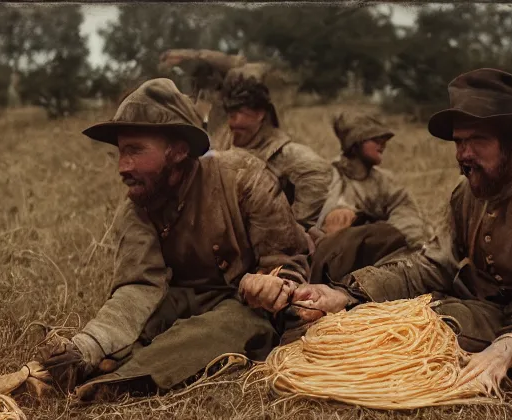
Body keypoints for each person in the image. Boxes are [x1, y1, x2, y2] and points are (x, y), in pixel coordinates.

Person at [292, 68, 512, 392]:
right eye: (459, 141)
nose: (464, 155)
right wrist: (348, 294)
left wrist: (509, 349)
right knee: (371, 320)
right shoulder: (468, 195)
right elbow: (432, 267)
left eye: (478, 141)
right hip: (468, 309)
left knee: (414, 334)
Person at [33, 78, 311, 401]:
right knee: (152, 318)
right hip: (183, 301)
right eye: (121, 152)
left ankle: (123, 381)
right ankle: (87, 364)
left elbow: (288, 264)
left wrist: (270, 288)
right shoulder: (137, 207)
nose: (124, 167)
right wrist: (88, 345)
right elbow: (138, 289)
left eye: (135, 151)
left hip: (249, 307)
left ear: (178, 150)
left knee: (239, 323)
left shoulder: (243, 177)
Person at [310, 112, 431, 285]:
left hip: (376, 262)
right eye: (375, 139)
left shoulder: (385, 181)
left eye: (384, 140)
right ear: (355, 142)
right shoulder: (326, 176)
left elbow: (406, 216)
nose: (383, 145)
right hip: (331, 262)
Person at [217, 76, 331, 238]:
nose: (231, 122)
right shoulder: (224, 144)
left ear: (259, 114)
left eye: (237, 113)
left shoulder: (287, 155)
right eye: (229, 114)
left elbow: (317, 174)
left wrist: (295, 226)